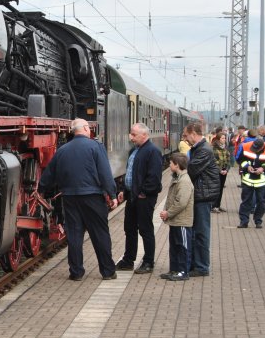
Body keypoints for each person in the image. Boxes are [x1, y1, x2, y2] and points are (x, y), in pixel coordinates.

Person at [38, 118, 118, 281]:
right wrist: (113, 195)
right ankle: (108, 271)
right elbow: (105, 173)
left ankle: (76, 272)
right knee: (100, 234)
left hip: (70, 198)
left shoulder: (62, 150)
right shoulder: (96, 147)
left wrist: (40, 189)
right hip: (93, 197)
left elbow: (49, 173)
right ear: (86, 129)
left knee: (74, 234)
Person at [115, 123, 163, 274]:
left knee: (145, 229)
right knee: (129, 228)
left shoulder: (152, 151)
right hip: (133, 196)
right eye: (131, 134)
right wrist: (124, 190)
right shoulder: (134, 151)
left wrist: (144, 192)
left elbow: (154, 177)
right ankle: (128, 260)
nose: (131, 137)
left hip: (144, 197)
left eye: (134, 134)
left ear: (144, 135)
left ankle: (148, 262)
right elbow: (130, 174)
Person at [182, 122, 220, 277]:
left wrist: (180, 166)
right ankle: (195, 264)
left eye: (186, 135)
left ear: (193, 133)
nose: (185, 139)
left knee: (201, 233)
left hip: (203, 196)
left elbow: (191, 169)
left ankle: (202, 267)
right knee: (196, 232)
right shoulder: (199, 149)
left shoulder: (204, 150)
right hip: (199, 195)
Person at [159, 152, 194, 281]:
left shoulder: (184, 181)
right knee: (174, 246)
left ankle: (183, 271)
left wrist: (168, 213)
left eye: (171, 163)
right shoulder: (177, 178)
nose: (169, 164)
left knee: (183, 246)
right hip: (175, 220)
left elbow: (181, 202)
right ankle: (174, 269)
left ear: (177, 165)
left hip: (182, 221)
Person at [238, 135, 265, 228]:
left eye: (256, 149)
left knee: (261, 202)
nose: (254, 150)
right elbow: (240, 159)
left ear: (262, 147)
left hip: (261, 180)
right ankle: (244, 221)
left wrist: (262, 168)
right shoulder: (246, 146)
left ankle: (258, 221)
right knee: (245, 201)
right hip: (248, 179)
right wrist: (247, 166)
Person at [211, 133, 230, 212]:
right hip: (216, 172)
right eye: (222, 138)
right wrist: (220, 170)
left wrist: (226, 170)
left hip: (224, 171)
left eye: (224, 138)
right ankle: (213, 206)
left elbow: (228, 160)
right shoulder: (214, 149)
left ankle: (218, 205)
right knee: (216, 188)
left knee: (221, 188)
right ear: (218, 139)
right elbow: (213, 161)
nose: (224, 139)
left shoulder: (225, 148)